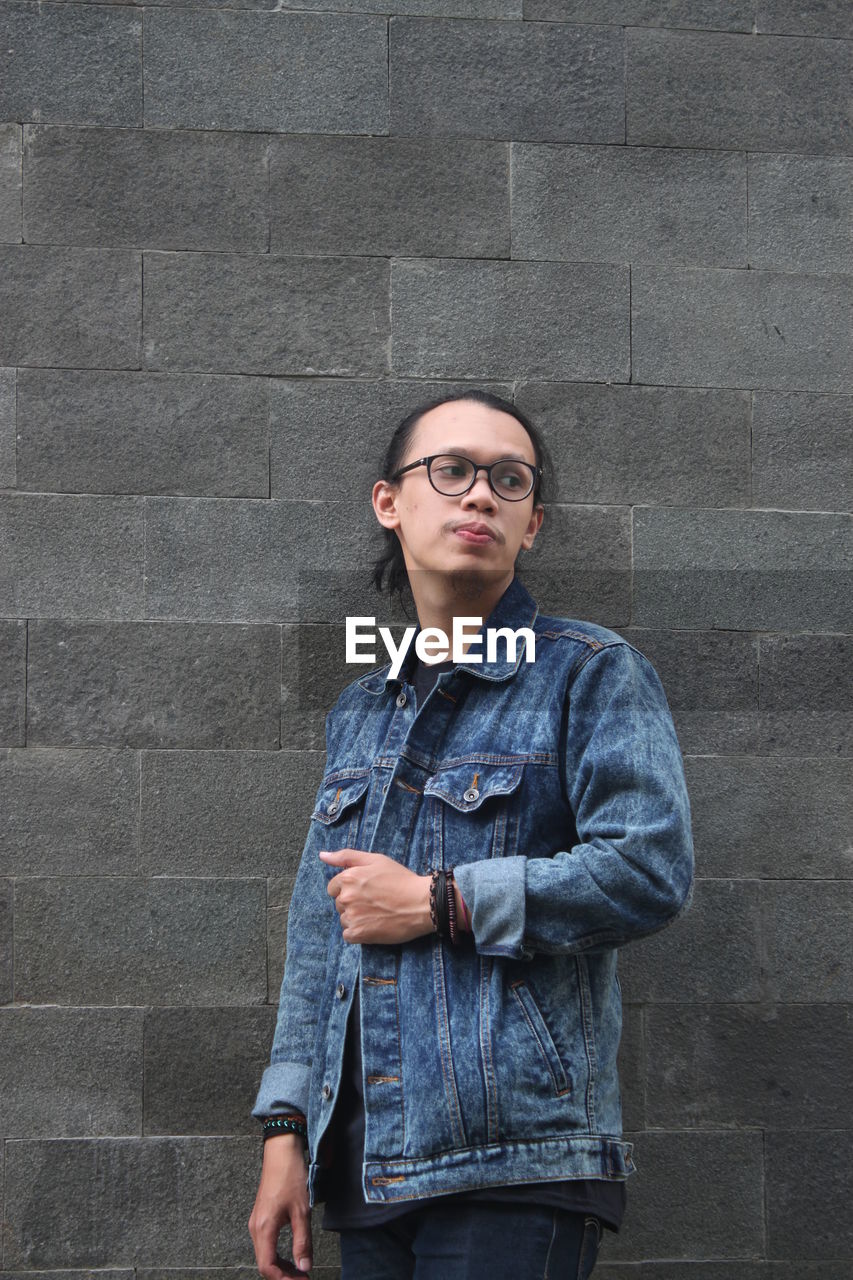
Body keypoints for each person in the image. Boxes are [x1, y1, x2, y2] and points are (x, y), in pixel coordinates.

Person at [248, 389, 694, 1280]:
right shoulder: (361, 709)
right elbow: (318, 934)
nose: (479, 495)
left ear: (531, 525)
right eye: (449, 471)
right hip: (365, 1166)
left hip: (515, 1159)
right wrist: (285, 1131)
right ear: (390, 502)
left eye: (508, 479)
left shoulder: (590, 672)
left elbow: (647, 869)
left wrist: (436, 902)